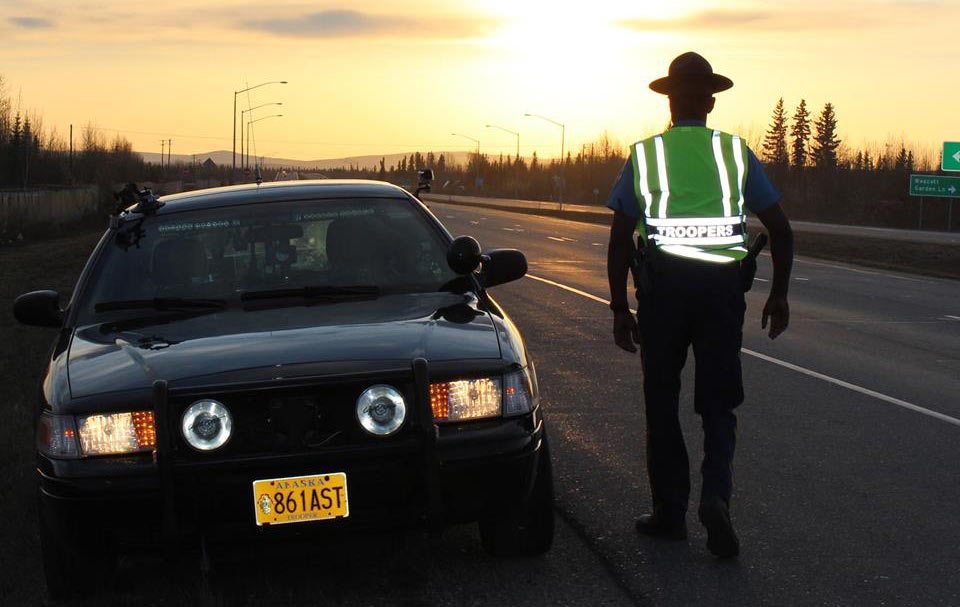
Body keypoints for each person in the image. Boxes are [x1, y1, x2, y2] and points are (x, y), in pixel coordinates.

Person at [606, 52, 794, 558]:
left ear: (670, 101)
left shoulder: (645, 155)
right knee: (718, 404)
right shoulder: (735, 153)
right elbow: (779, 228)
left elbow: (620, 239)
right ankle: (716, 499)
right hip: (720, 297)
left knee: (661, 401)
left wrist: (619, 308)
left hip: (663, 296)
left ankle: (670, 512)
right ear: (710, 101)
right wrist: (778, 295)